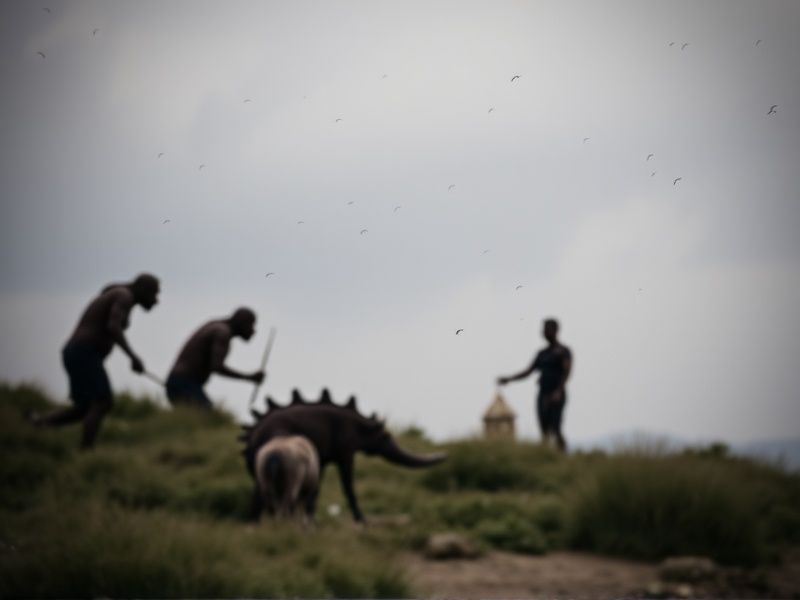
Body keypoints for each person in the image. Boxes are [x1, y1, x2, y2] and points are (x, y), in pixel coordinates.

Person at [31, 273, 160, 449]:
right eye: (154, 294)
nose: (156, 300)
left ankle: (39, 423)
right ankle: (86, 451)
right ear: (143, 289)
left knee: (84, 407)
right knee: (102, 401)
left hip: (78, 353)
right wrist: (133, 357)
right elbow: (113, 326)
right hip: (84, 353)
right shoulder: (125, 296)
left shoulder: (120, 295)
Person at [165, 307, 265, 409]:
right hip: (183, 383)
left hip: (179, 381)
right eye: (251, 325)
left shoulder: (215, 325)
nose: (253, 331)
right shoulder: (223, 333)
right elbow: (217, 367)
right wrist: (249, 377)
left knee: (199, 419)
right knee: (209, 418)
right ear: (242, 323)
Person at [497, 318, 573, 451]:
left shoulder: (563, 351)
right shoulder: (542, 354)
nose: (544, 332)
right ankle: (547, 457)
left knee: (556, 428)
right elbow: (528, 371)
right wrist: (509, 379)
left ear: (555, 331)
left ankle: (563, 456)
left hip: (556, 394)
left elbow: (566, 373)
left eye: (546, 329)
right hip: (543, 394)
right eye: (543, 330)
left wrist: (559, 391)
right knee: (544, 430)